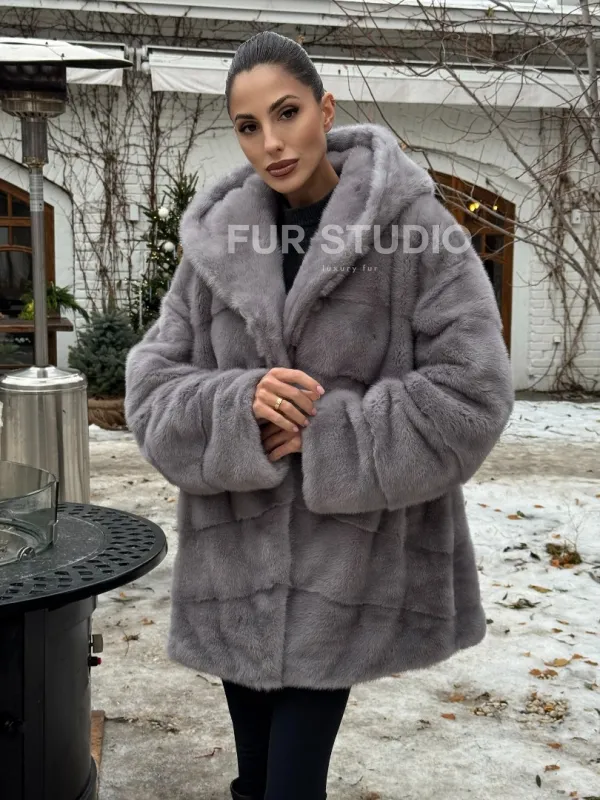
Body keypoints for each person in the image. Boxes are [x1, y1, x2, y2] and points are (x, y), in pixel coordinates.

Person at [124, 30, 514, 800]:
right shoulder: (216, 244)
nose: (271, 142)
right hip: (233, 570)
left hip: (346, 568)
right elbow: (152, 387)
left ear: (325, 109)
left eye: (287, 113)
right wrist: (236, 406)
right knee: (256, 781)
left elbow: (474, 391)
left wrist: (332, 434)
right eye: (248, 126)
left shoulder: (413, 230)